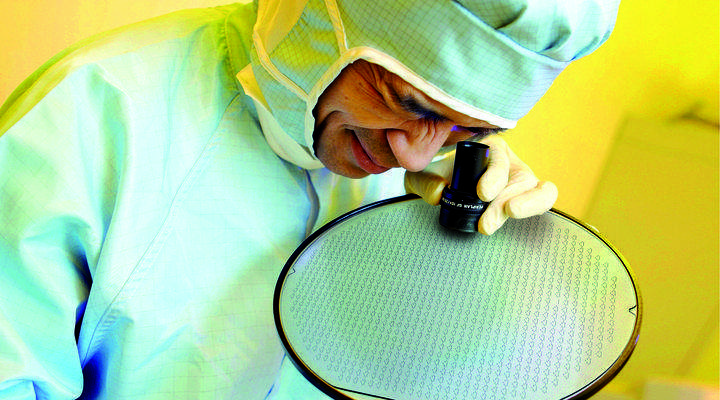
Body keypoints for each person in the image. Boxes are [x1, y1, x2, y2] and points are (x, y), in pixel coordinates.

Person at [0, 0, 619, 398]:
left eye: (468, 126)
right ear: (326, 24)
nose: (410, 154)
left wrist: (475, 271)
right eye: (409, 104)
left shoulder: (425, 180)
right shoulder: (99, 110)